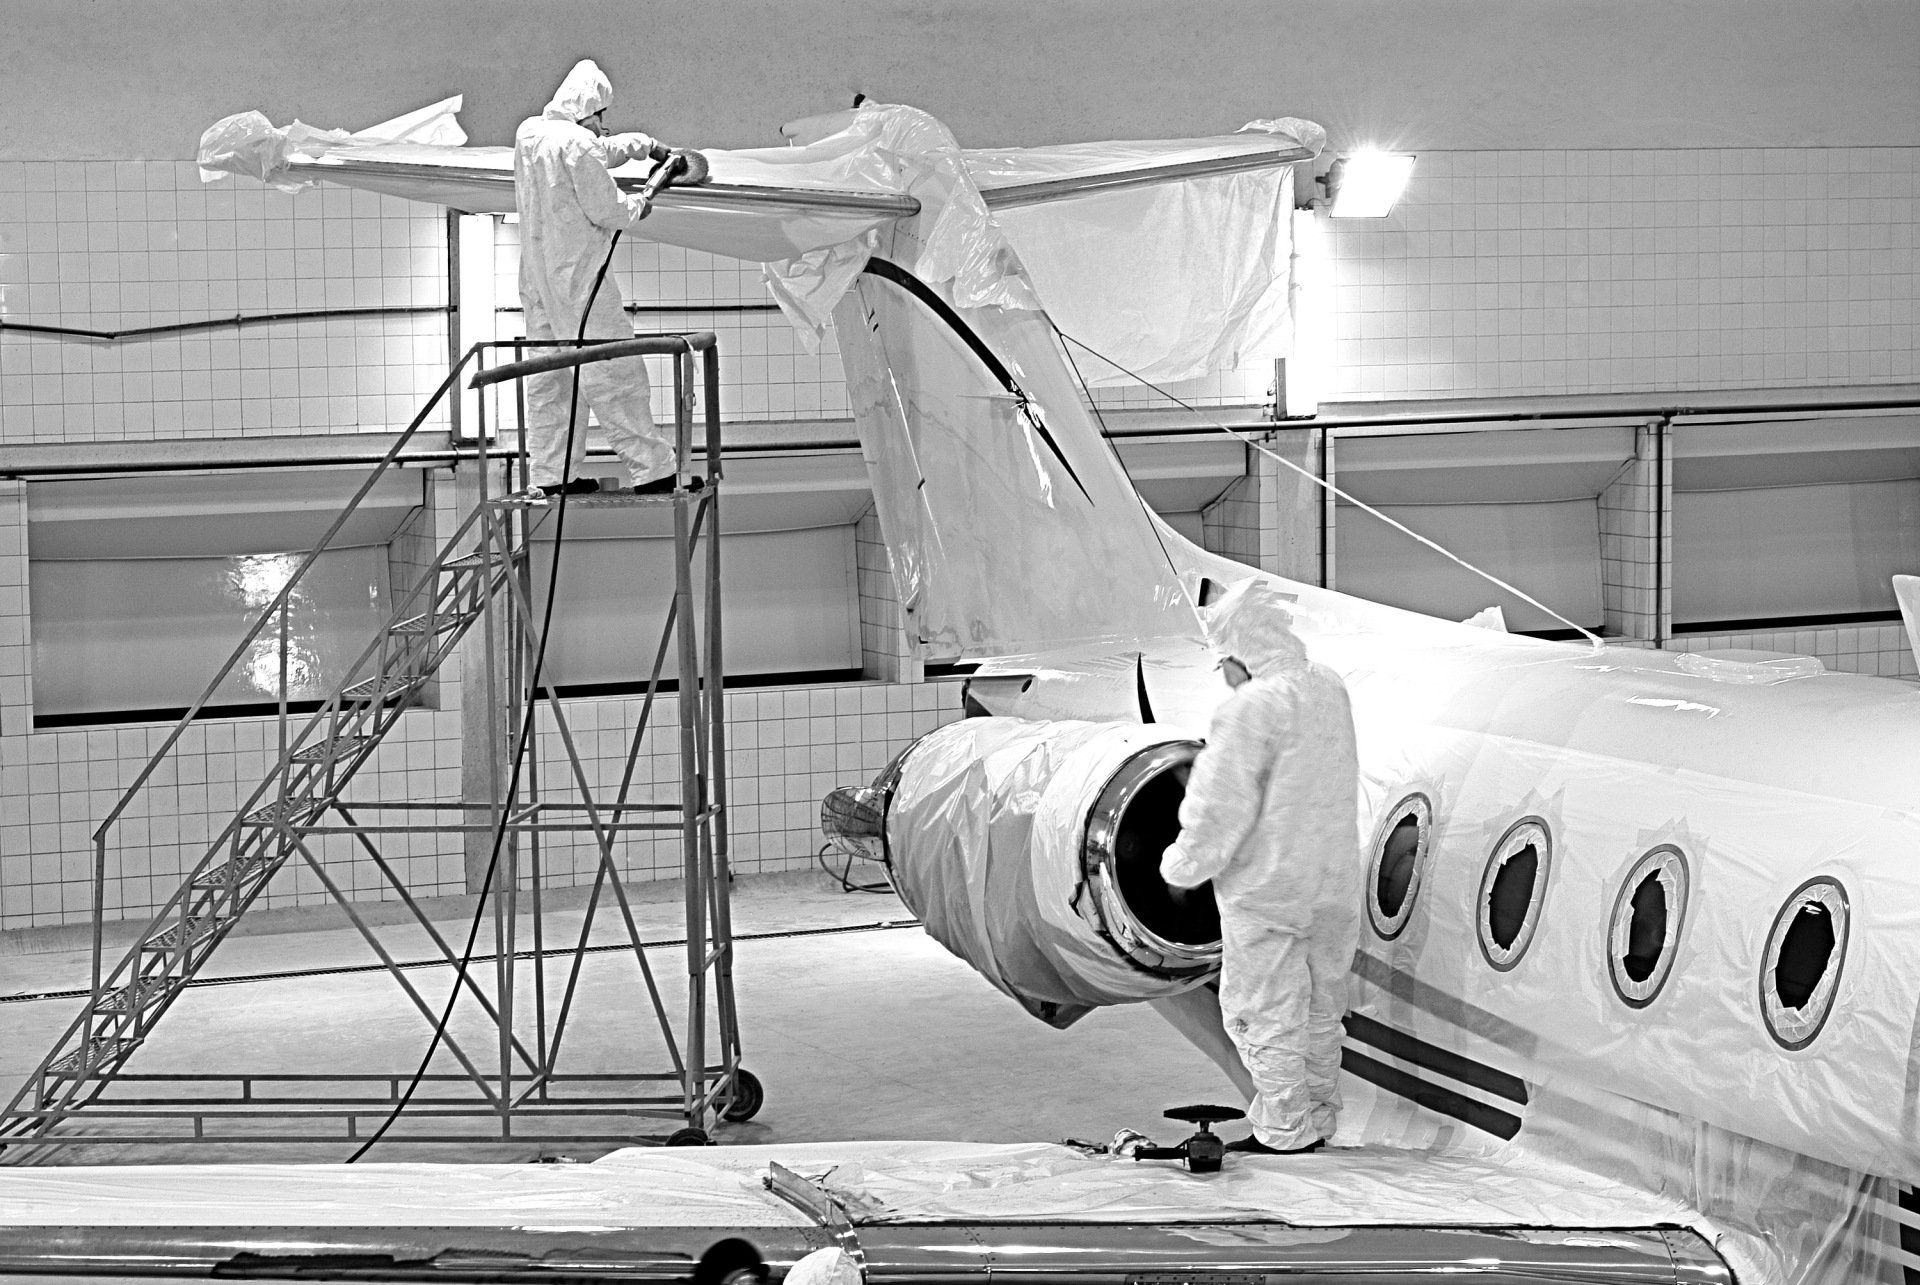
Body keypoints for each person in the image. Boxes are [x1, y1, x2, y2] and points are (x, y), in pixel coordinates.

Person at [1159, 579, 1361, 1155]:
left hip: (1269, 891)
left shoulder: (1250, 709)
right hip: (1333, 883)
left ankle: (1283, 1132)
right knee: (1324, 1009)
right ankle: (1319, 1119)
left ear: (1241, 656)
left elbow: (1217, 807)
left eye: (1223, 661)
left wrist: (1180, 868)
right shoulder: (1329, 687)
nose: (1222, 674)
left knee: (1264, 1013)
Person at [513, 59, 707, 497]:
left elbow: (592, 149)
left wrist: (646, 146)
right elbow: (607, 209)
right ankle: (652, 470)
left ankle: (551, 475)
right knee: (615, 370)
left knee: (553, 378)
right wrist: (643, 200)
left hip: (538, 279)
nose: (604, 126)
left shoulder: (530, 134)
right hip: (580, 278)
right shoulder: (579, 146)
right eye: (601, 116)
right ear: (587, 110)